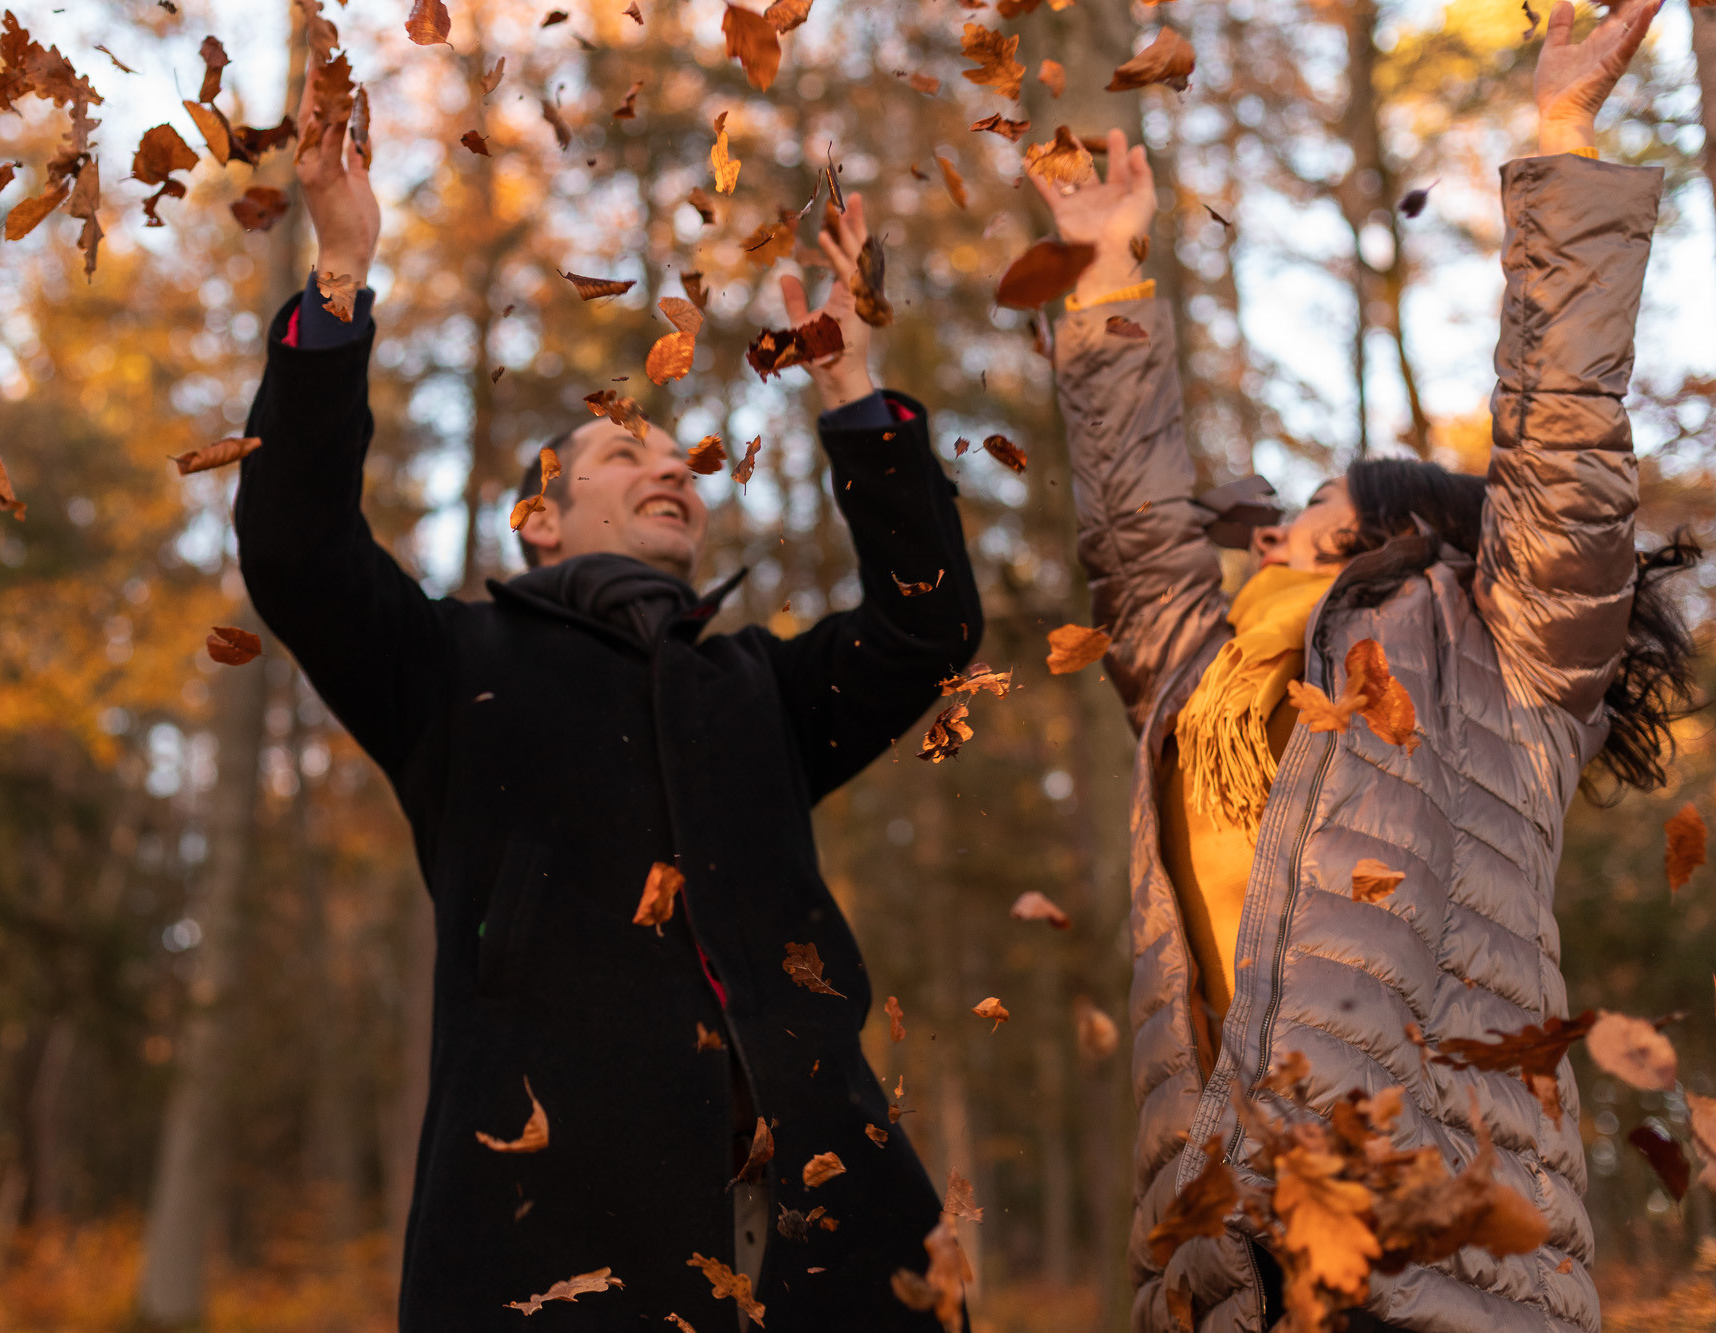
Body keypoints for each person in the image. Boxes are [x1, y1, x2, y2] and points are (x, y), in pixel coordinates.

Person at [233, 66, 984, 1332]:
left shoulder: (755, 689)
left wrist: (853, 396)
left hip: (825, 1235)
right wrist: (341, 280)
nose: (668, 470)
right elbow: (297, 554)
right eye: (622, 453)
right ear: (537, 520)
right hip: (558, 1231)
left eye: (681, 460)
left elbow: (928, 628)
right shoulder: (453, 664)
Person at [1030, 2, 1694, 1329]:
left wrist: (1561, 141)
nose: (1275, 531)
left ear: (1406, 534)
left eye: (1319, 511)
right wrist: (1106, 281)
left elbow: (1561, 453)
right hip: (1221, 1252)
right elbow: (1136, 540)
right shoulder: (1199, 680)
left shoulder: (1495, 648)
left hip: (1444, 1245)